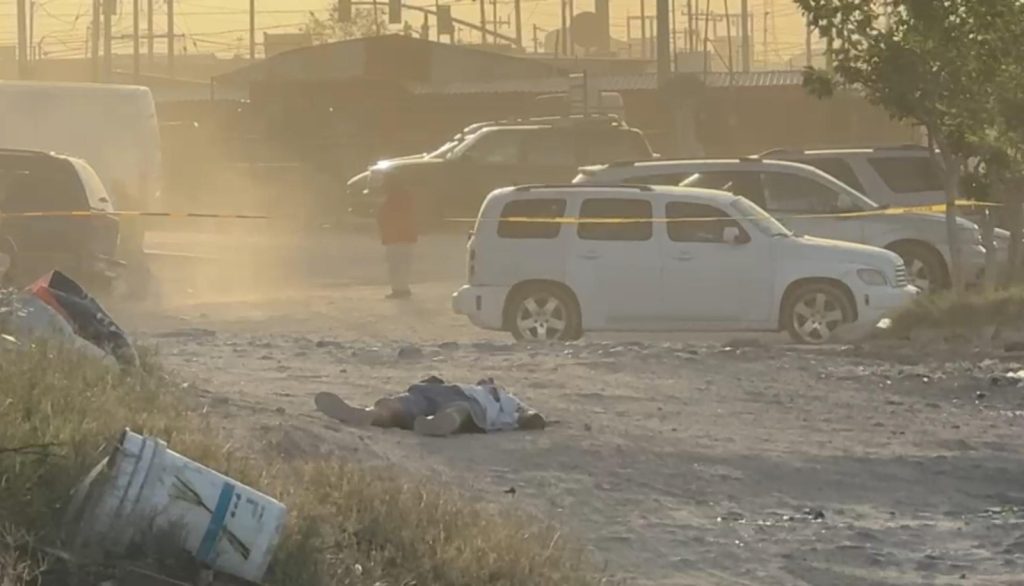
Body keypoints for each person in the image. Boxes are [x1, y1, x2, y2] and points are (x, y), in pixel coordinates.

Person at [314, 376, 547, 437]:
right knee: (400, 403)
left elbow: (529, 415)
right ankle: (364, 413)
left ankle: (437, 424)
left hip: (470, 404)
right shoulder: (465, 385)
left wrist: (532, 417)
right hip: (440, 391)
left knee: (459, 410)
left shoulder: (503, 397)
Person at [376, 174, 417, 300]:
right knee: (403, 263)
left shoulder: (393, 198)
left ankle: (399, 289)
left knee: (396, 264)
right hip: (406, 235)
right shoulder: (406, 196)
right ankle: (403, 288)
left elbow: (387, 216)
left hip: (395, 236)